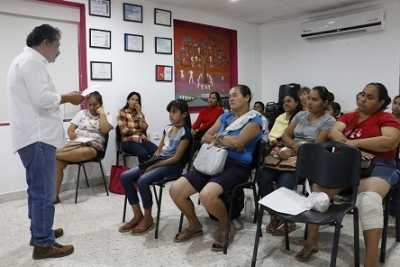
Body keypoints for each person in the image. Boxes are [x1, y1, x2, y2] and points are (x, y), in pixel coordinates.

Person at [299, 83, 400, 267]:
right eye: (362, 94)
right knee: (318, 191)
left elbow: (390, 142)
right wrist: (354, 149)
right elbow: (333, 133)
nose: (362, 99)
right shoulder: (350, 116)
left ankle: (370, 261)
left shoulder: (386, 118)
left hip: (379, 165)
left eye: (370, 97)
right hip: (346, 164)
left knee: (369, 201)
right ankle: (311, 242)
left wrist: (354, 144)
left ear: (381, 102)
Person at [7, 24, 84, 259]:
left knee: (36, 190)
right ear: (46, 43)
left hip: (33, 136)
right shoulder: (31, 62)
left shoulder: (26, 61)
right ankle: (43, 244)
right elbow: (41, 99)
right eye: (57, 45)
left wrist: (63, 96)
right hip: (37, 137)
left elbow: (39, 97)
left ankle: (39, 232)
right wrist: (67, 97)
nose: (59, 50)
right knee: (43, 192)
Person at [169, 85, 262, 252]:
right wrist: (228, 141)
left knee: (206, 195)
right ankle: (195, 225)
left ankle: (226, 227)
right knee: (176, 189)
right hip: (213, 160)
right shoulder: (225, 117)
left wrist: (220, 138)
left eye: (235, 95)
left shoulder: (255, 120)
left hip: (236, 166)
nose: (231, 98)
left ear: (247, 97)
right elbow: (204, 137)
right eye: (230, 96)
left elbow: (239, 143)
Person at [257, 86, 336, 236]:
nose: (309, 102)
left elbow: (317, 145)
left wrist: (293, 151)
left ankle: (288, 219)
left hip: (309, 161)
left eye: (315, 99)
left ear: (325, 102)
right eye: (309, 99)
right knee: (262, 174)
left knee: (286, 179)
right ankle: (276, 214)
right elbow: (286, 135)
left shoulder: (329, 121)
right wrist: (293, 146)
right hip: (288, 155)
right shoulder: (300, 115)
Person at [119, 99, 192, 235]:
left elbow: (176, 158)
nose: (171, 114)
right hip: (160, 161)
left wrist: (153, 167)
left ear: (184, 114)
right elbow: (159, 151)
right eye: (170, 111)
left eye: (175, 111)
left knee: (143, 180)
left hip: (173, 166)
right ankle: (137, 215)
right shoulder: (168, 128)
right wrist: (150, 163)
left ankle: (148, 218)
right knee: (125, 177)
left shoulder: (186, 133)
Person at [55, 91, 113, 203]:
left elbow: (105, 130)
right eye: (89, 104)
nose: (91, 107)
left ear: (101, 104)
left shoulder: (107, 115)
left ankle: (50, 155)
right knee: (58, 162)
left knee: (84, 151)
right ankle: (54, 195)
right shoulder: (82, 113)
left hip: (95, 147)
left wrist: (101, 113)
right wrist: (71, 133)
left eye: (95, 104)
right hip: (76, 143)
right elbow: (71, 128)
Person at [117, 92, 158, 163]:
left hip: (141, 139)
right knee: (143, 153)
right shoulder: (122, 113)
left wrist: (139, 113)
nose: (134, 102)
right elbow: (124, 131)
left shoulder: (139, 113)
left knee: (158, 152)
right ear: (128, 100)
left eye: (137, 100)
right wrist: (138, 130)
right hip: (128, 141)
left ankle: (150, 169)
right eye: (132, 99)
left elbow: (144, 127)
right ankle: (144, 172)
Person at [389, 95, 400, 225]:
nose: (396, 106)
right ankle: (392, 211)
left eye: (399, 104)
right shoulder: (387, 119)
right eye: (395, 103)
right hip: (390, 156)